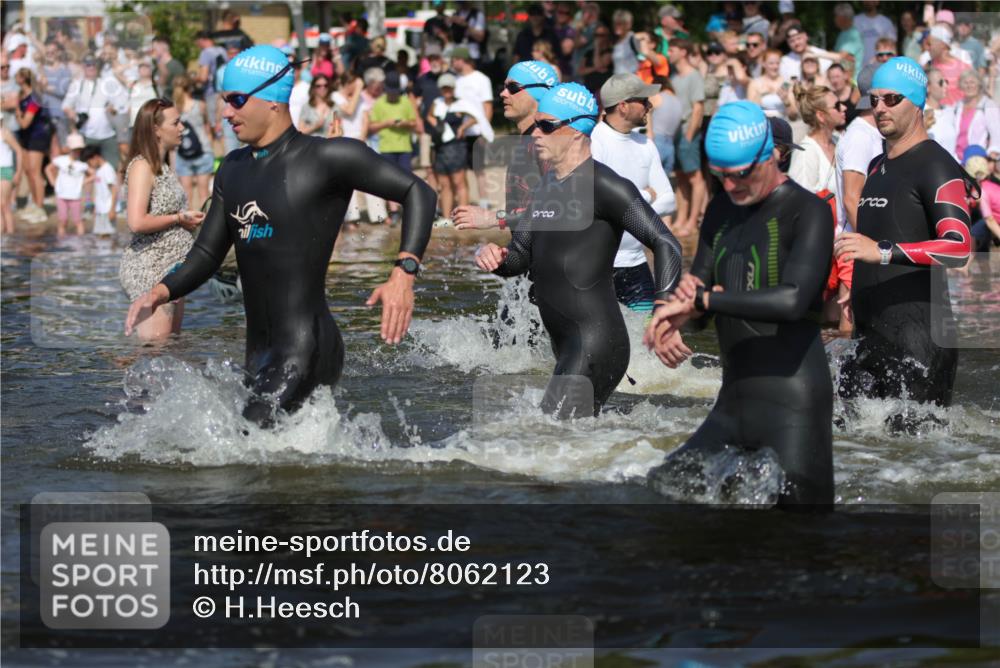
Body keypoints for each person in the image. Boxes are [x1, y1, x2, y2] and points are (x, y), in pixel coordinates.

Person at [124, 45, 436, 426]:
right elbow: (207, 254)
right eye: (224, 101)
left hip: (307, 348)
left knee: (245, 445)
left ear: (273, 100)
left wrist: (403, 273)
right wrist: (160, 292)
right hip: (258, 354)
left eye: (237, 100)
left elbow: (418, 192)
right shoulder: (233, 169)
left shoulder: (327, 158)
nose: (225, 113)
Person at [644, 100, 835, 507]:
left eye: (741, 174)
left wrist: (703, 299)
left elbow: (793, 300)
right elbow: (700, 297)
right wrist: (674, 315)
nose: (731, 186)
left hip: (793, 403)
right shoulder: (720, 209)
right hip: (733, 403)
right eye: (721, 176)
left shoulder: (809, 211)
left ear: (771, 154)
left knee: (802, 539)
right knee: (660, 495)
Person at [475, 83, 682, 418]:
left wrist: (665, 308)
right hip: (568, 344)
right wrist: (495, 258)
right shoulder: (545, 186)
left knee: (544, 440)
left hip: (596, 342)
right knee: (562, 447)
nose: (536, 134)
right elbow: (520, 256)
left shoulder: (605, 185)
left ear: (574, 131)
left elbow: (665, 241)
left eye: (546, 125)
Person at [835, 57, 973, 411]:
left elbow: (960, 248)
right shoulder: (876, 165)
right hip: (871, 338)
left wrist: (881, 253)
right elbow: (870, 242)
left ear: (917, 103)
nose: (880, 108)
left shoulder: (936, 166)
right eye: (874, 99)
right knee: (854, 454)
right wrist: (857, 285)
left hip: (920, 349)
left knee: (909, 463)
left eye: (892, 99)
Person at [119, 99, 204, 340]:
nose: (182, 128)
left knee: (170, 348)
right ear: (155, 129)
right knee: (156, 350)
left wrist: (187, 220)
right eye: (176, 123)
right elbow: (136, 222)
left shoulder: (163, 167)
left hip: (173, 270)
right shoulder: (142, 166)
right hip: (150, 267)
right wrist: (179, 218)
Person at [593, 73, 677, 311]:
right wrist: (647, 195)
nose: (650, 105)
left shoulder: (646, 145)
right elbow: (594, 201)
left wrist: (621, 208)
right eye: (643, 100)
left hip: (635, 264)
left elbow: (669, 201)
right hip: (598, 265)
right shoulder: (594, 141)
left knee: (650, 339)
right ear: (623, 106)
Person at [453, 60, 557, 232]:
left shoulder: (548, 143)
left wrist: (494, 218)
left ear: (539, 93)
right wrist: (503, 253)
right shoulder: (527, 140)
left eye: (513, 87)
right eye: (504, 87)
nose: (503, 93)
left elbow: (560, 211)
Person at [425, 73, 477, 225]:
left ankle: (463, 218)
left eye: (449, 88)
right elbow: (429, 116)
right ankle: (447, 218)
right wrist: (437, 126)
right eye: (444, 88)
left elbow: (475, 117)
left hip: (457, 146)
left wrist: (463, 127)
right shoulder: (437, 103)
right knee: (445, 184)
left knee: (459, 182)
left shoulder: (461, 104)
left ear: (453, 88)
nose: (446, 91)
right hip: (441, 147)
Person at [368, 70, 417, 222]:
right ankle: (394, 211)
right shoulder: (379, 104)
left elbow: (414, 123)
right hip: (386, 147)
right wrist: (386, 123)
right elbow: (371, 127)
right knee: (390, 180)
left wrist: (404, 123)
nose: (393, 95)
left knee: (407, 179)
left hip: (404, 147)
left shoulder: (406, 102)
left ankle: (407, 208)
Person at [668, 39, 707, 234]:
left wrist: (690, 135)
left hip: (687, 131)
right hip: (675, 132)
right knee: (681, 177)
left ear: (683, 52)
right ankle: (681, 218)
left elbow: (698, 108)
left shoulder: (694, 76)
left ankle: (692, 221)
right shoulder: (674, 77)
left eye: (672, 50)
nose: (669, 53)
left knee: (695, 176)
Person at [63, 55, 127, 168]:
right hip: (87, 135)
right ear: (83, 67)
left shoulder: (106, 83)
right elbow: (66, 105)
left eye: (94, 64)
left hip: (108, 134)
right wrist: (71, 113)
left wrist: (113, 108)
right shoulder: (77, 84)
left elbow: (121, 103)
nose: (91, 67)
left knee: (113, 167)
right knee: (85, 168)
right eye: (88, 65)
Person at [452, 47, 494, 210]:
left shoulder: (481, 79)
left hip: (477, 131)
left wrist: (485, 131)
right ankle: (465, 201)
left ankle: (484, 201)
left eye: (455, 59)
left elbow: (487, 106)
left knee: (479, 168)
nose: (453, 63)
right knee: (460, 169)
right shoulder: (455, 80)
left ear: (464, 60)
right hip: (459, 131)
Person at [13, 67, 52, 224]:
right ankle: (35, 204)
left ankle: (40, 207)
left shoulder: (34, 98)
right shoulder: (22, 95)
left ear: (23, 79)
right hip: (26, 138)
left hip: (37, 137)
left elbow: (25, 123)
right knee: (28, 172)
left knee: (36, 173)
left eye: (17, 76)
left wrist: (16, 110)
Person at [172, 75, 215, 210]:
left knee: (186, 196)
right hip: (204, 151)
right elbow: (208, 128)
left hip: (182, 153)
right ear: (190, 88)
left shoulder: (173, 110)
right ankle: (207, 227)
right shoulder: (200, 105)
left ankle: (190, 228)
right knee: (204, 195)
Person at [946, 70, 1000, 163]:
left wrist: (992, 155)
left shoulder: (987, 105)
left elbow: (997, 134)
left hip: (978, 160)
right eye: (965, 83)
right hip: (956, 160)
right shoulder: (956, 106)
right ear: (961, 86)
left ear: (979, 85)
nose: (969, 86)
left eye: (972, 82)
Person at [44, 133, 88, 236]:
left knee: (78, 221)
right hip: (61, 195)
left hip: (75, 196)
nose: (77, 152)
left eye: (79, 150)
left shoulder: (82, 164)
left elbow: (93, 174)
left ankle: (80, 244)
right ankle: (61, 243)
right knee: (62, 220)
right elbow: (48, 169)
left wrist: (83, 182)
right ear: (69, 149)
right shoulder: (61, 160)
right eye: (75, 150)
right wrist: (52, 182)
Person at [926, 25, 971, 106]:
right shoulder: (928, 66)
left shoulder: (963, 68)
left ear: (942, 44)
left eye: (929, 44)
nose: (927, 48)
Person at [747, 48, 797, 120]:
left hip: (783, 125)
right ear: (763, 64)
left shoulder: (786, 83)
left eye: (777, 63)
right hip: (763, 125)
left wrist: (786, 100)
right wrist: (760, 95)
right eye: (771, 63)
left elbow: (793, 116)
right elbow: (750, 113)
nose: (775, 67)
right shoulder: (755, 84)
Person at [965, 154, 1000, 252]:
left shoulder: (982, 191)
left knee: (974, 234)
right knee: (976, 233)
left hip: (993, 220)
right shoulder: (989, 185)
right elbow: (975, 199)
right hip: (994, 219)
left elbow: (990, 220)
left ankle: (963, 266)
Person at [82, 144, 118, 236]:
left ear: (96, 157)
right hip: (100, 210)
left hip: (107, 210)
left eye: (89, 161)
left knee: (107, 237)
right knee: (100, 237)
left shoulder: (107, 169)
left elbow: (114, 190)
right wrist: (95, 208)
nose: (89, 164)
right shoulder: (99, 170)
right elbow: (98, 191)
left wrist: (112, 210)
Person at [650, 76, 682, 175]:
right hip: (670, 145)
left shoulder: (657, 96)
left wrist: (648, 132)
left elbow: (645, 112)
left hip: (656, 140)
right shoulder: (678, 101)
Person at [854, 0, 896, 66]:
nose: (868, 1)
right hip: (859, 67)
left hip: (882, 67)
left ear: (877, 1)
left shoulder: (886, 22)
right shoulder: (855, 21)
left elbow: (892, 47)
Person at [1, 124, 24, 233]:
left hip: (5, 169)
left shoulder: (5, 133)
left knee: (4, 204)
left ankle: (10, 234)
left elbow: (19, 151)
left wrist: (18, 172)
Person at [833, 3, 864, 72]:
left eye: (836, 16)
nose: (834, 19)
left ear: (842, 18)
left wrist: (816, 53)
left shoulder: (854, 35)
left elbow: (841, 56)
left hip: (852, 80)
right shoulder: (843, 33)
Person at [611, 9, 638, 76]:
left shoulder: (633, 38)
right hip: (618, 81)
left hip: (631, 81)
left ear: (628, 24)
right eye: (615, 23)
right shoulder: (616, 41)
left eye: (620, 24)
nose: (616, 26)